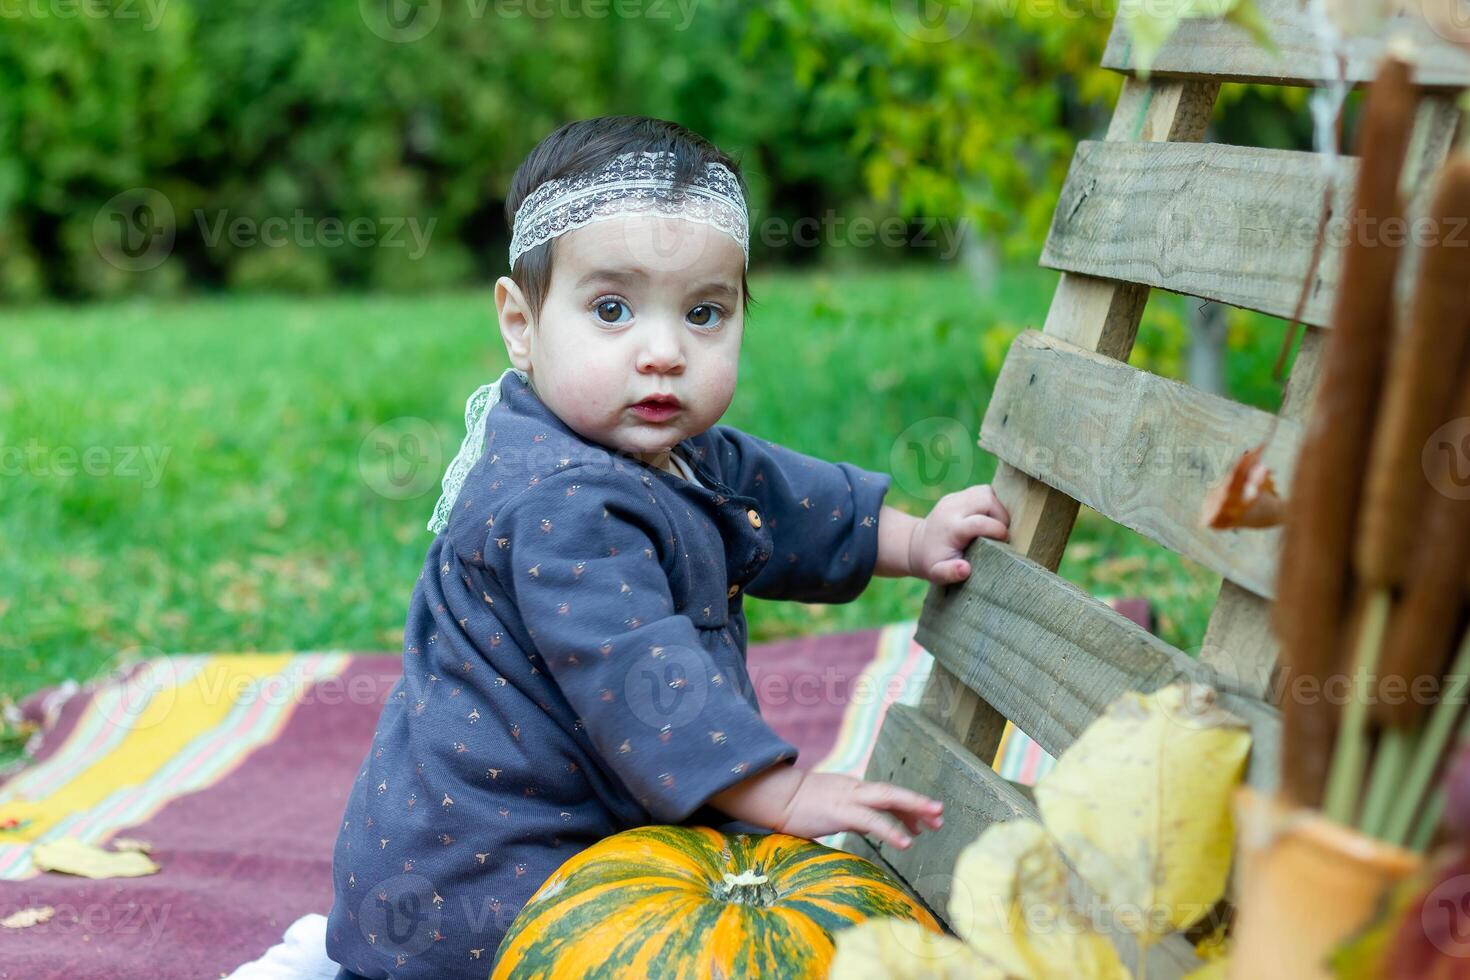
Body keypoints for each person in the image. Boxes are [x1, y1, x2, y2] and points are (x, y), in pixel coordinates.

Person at [325, 115, 1011, 978]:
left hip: (595, 828)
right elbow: (640, 674)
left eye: (704, 313)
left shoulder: (671, 450)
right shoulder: (561, 504)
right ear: (521, 322)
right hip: (485, 875)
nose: (663, 352)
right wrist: (783, 795)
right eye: (611, 310)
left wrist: (914, 539)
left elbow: (788, 503)